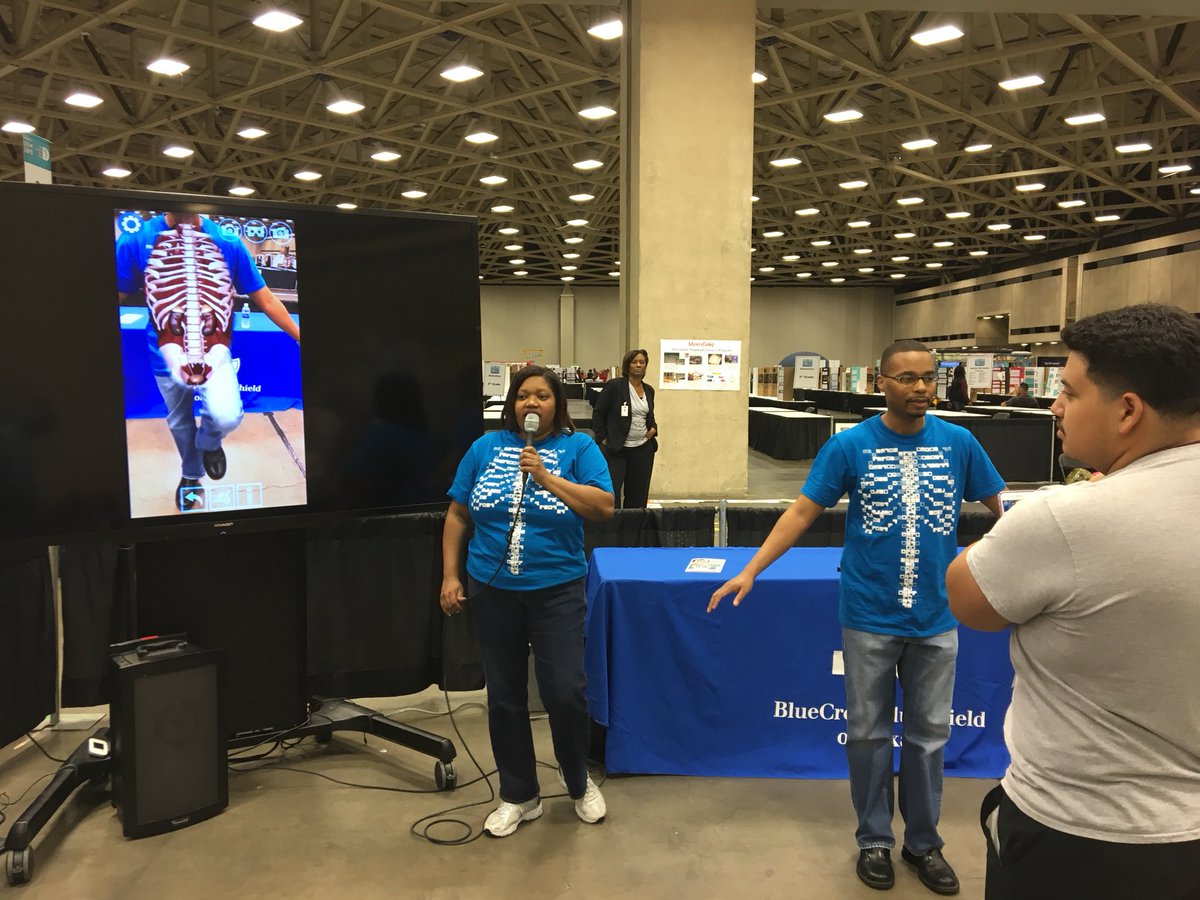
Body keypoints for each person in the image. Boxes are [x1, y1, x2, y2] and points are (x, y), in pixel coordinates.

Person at [709, 339, 1006, 895]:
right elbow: (802, 511)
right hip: (868, 616)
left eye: (929, 377)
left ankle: (923, 843)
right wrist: (752, 569)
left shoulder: (960, 443)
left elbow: (1001, 506)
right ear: (881, 384)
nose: (921, 388)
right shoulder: (851, 447)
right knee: (868, 735)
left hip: (938, 619)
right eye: (907, 378)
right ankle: (874, 839)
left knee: (929, 738)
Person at [945, 304, 1200, 899]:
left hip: (1077, 835)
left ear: (1128, 410)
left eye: (1068, 391)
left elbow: (968, 599)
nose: (1055, 407)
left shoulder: (1066, 518)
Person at [440, 366, 615, 838]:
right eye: (522, 396)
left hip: (557, 590)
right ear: (511, 404)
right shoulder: (484, 448)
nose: (531, 404)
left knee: (564, 691)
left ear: (557, 402)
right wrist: (451, 575)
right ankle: (519, 795)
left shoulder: (579, 449)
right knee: (505, 698)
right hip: (492, 590)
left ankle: (577, 781)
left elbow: (603, 506)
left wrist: (545, 477)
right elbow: (457, 514)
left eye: (541, 396)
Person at [116, 211, 300, 512]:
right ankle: (191, 474)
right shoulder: (136, 238)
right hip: (166, 350)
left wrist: (300, 336)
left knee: (226, 414)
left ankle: (211, 444)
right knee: (179, 419)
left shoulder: (227, 241)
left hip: (214, 347)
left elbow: (264, 298)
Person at [593, 348, 659, 509]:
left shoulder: (649, 390)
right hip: (616, 449)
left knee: (638, 496)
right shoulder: (615, 386)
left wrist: (653, 429)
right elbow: (598, 413)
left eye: (642, 362)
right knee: (612, 494)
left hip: (642, 449)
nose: (638, 365)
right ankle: (613, 530)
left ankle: (633, 531)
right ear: (627, 365)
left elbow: (648, 415)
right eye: (634, 362)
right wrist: (603, 438)